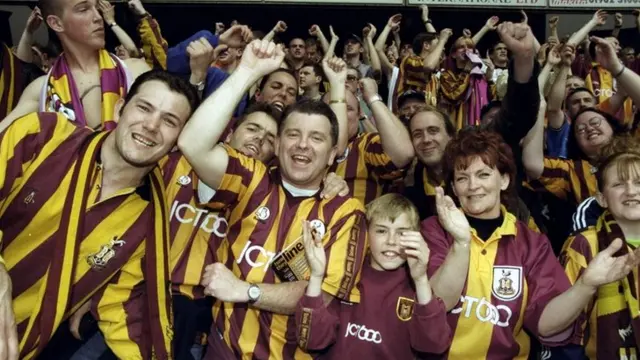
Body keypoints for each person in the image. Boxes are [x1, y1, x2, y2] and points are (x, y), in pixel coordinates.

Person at [178, 39, 368, 360]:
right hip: (222, 350)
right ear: (278, 144)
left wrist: (245, 291)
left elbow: (322, 295)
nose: (302, 145)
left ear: (333, 152)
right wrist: (246, 72)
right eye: (293, 134)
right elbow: (193, 144)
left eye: (317, 137)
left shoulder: (346, 211)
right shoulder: (253, 179)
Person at [0, 70, 199, 359]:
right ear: (119, 108)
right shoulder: (43, 135)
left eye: (170, 121)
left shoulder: (147, 224)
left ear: (179, 140)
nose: (152, 125)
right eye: (144, 107)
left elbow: (122, 314)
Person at [423, 129, 639, 359]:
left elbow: (546, 327)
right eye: (462, 178)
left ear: (504, 180)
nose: (473, 186)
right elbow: (437, 305)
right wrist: (461, 244)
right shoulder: (434, 230)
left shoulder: (532, 244)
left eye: (484, 174)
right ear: (454, 189)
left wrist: (586, 284)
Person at [295, 193, 451, 359]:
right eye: (381, 231)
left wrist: (420, 280)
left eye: (401, 232)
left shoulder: (419, 288)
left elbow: (434, 347)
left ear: (416, 237)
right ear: (366, 234)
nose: (391, 241)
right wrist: (317, 277)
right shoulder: (346, 276)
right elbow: (313, 341)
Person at [1, 0, 153, 132]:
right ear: (56, 23)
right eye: (83, 9)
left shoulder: (134, 71)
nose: (98, 17)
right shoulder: (42, 89)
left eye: (96, 8)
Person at [561, 136, 640, 359]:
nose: (631, 191)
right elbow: (559, 325)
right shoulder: (584, 244)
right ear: (602, 198)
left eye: (639, 182)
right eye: (618, 184)